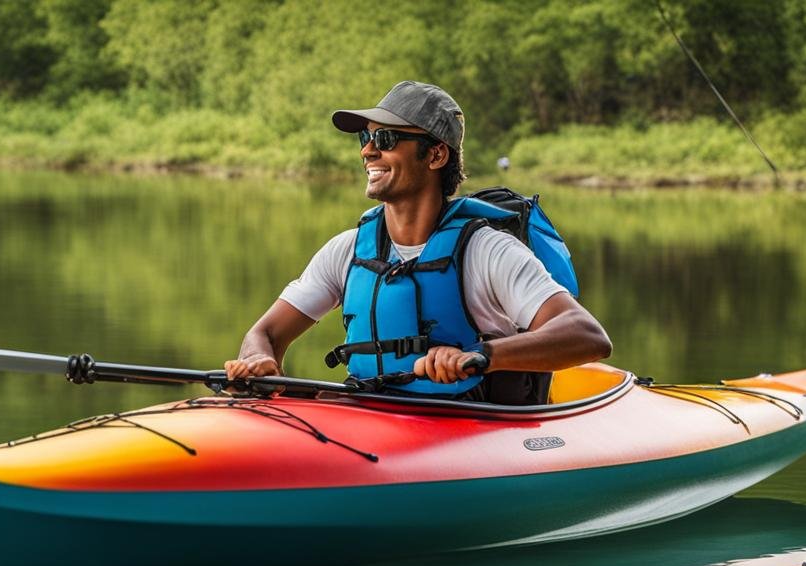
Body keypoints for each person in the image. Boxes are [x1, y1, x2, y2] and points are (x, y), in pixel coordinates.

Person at [224, 81, 611, 403]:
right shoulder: (347, 250)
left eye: (386, 138)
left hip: (470, 430)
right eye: (365, 136)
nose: (367, 150)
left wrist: (481, 355)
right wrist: (259, 362)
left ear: (436, 154)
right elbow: (266, 334)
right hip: (369, 418)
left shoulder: (487, 251)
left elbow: (587, 335)